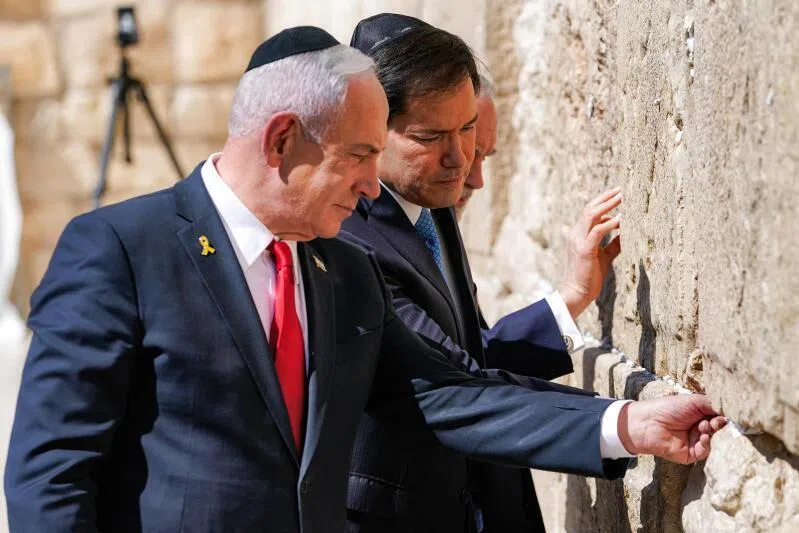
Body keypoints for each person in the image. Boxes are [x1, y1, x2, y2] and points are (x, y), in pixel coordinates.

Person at [4, 27, 725, 533]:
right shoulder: (120, 248)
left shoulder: (341, 269)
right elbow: (53, 469)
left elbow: (446, 391)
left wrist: (626, 423)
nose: (372, 180)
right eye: (358, 154)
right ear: (282, 139)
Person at [339, 15, 622, 533]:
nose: (462, 160)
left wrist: (571, 298)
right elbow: (447, 388)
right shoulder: (348, 242)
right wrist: (622, 424)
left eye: (468, 129)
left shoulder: (432, 204)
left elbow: (465, 357)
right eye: (430, 136)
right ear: (370, 130)